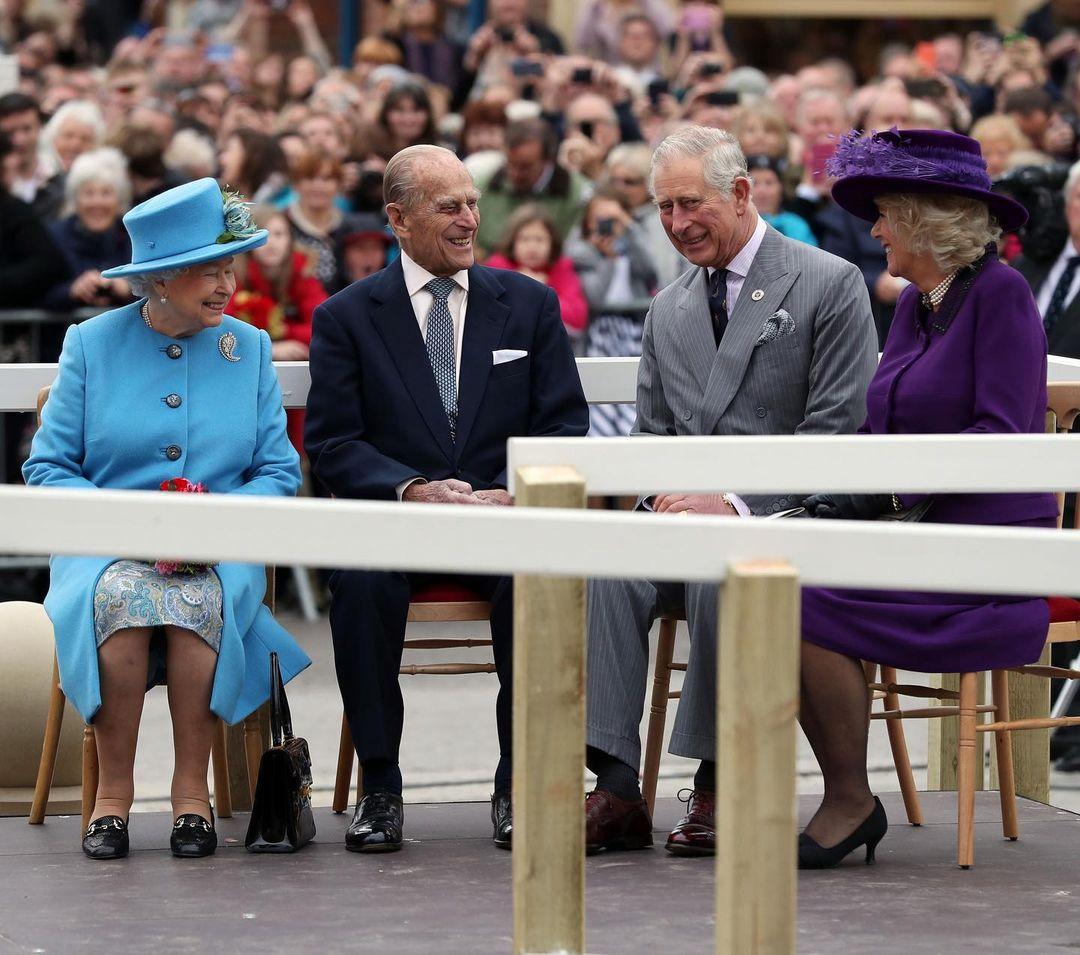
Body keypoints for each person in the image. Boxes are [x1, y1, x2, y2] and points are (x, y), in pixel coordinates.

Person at [583, 126, 877, 856]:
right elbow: (649, 436)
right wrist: (661, 497)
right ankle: (617, 784)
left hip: (791, 519)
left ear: (741, 193)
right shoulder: (667, 307)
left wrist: (735, 502)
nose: (678, 223)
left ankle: (719, 783)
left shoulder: (830, 282)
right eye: (664, 208)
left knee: (727, 572)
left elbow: (837, 432)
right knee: (607, 564)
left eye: (691, 203)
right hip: (687, 518)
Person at [305, 144, 588, 854]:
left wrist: (513, 494)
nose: (469, 218)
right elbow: (334, 442)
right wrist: (414, 489)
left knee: (540, 583)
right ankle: (381, 787)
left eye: (471, 201)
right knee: (360, 584)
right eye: (449, 206)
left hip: (505, 518)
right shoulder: (347, 316)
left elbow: (566, 425)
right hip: (401, 520)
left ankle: (516, 782)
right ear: (398, 219)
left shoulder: (528, 303)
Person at [23, 177, 310, 861]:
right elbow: (48, 466)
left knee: (196, 599)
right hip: (106, 547)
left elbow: (278, 471)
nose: (227, 284)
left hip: (216, 549)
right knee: (121, 596)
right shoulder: (91, 345)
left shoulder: (252, 349)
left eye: (229, 267)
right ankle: (112, 801)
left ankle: (191, 798)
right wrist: (128, 526)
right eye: (210, 270)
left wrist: (212, 524)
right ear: (157, 279)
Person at [796, 128, 1058, 867]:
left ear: (923, 221)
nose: (874, 230)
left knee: (803, 601)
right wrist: (843, 488)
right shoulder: (916, 304)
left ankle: (849, 801)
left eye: (884, 214)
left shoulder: (1003, 296)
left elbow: (998, 434)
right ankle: (848, 794)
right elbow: (885, 421)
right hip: (919, 530)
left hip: (988, 552)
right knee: (778, 591)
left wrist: (888, 489)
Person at [228, 205, 327, 456]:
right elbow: (226, 328)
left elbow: (323, 324)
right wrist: (271, 346)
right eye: (264, 234)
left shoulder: (302, 271)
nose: (272, 243)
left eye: (280, 234)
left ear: (290, 239)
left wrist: (282, 330)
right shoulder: (235, 273)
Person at [568, 189, 657, 434]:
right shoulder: (581, 256)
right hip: (600, 332)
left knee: (637, 390)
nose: (607, 224)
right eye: (600, 218)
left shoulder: (634, 246)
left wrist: (629, 229)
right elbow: (595, 297)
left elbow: (653, 273)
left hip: (636, 329)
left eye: (613, 217)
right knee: (602, 392)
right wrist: (607, 259)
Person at [39, 148, 133, 321]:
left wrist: (126, 288)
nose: (97, 202)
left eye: (106, 193)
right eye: (88, 193)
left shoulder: (133, 237)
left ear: (119, 199)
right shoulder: (53, 236)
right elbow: (37, 293)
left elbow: (159, 291)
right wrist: (73, 290)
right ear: (75, 199)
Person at [485, 203, 588, 341]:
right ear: (512, 241)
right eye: (525, 239)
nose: (532, 247)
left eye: (540, 240)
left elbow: (578, 318)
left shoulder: (560, 268)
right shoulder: (497, 267)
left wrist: (542, 292)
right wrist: (525, 287)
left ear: (552, 243)